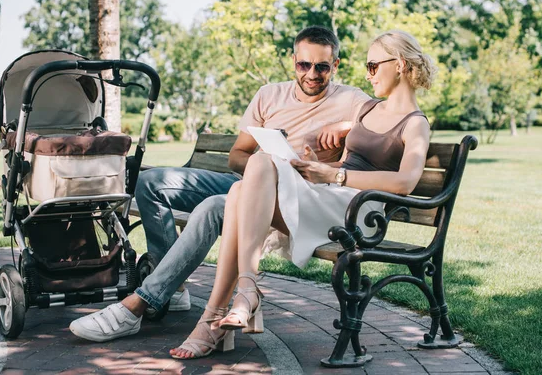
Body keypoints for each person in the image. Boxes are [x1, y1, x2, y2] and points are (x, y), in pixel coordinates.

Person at [69, 25, 373, 342]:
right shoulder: (269, 94)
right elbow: (237, 156)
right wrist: (269, 162)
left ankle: (141, 303)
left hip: (291, 197)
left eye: (323, 67)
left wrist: (345, 124)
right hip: (249, 181)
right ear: (293, 59)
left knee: (213, 208)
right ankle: (173, 289)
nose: (312, 74)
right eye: (304, 64)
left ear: (335, 65)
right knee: (150, 181)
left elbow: (388, 118)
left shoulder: (351, 100)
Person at [168, 29, 435, 360]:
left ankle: (224, 312)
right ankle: (239, 298)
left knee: (252, 177)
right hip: (330, 195)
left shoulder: (415, 123)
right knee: (240, 189)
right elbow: (349, 152)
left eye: (372, 65)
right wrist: (319, 160)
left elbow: (406, 182)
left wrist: (337, 173)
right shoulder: (367, 112)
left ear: (398, 65)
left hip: (358, 212)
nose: (368, 74)